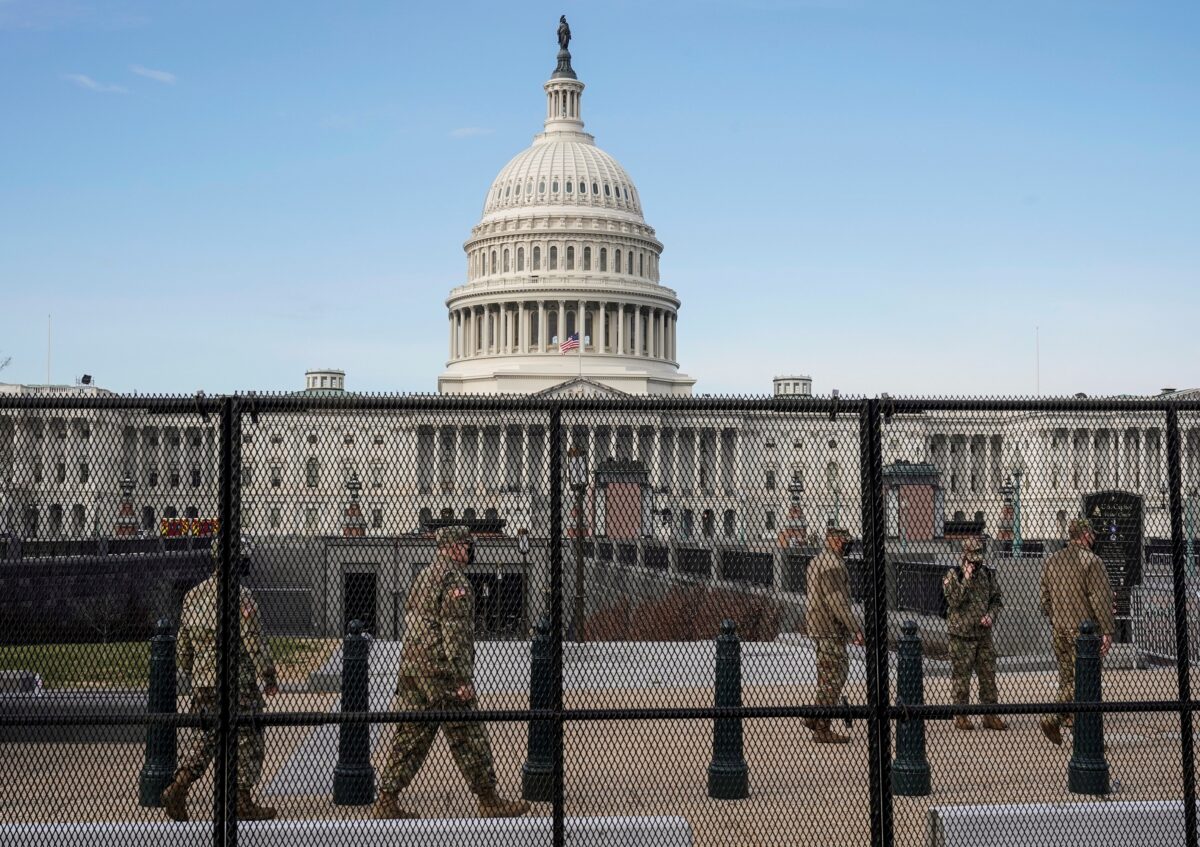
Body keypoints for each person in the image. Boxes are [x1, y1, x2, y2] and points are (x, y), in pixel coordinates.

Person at [373, 525, 530, 819]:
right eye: (467, 545)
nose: (470, 550)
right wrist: (461, 680)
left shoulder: (423, 576)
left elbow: (412, 621)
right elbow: (455, 634)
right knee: (469, 734)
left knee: (410, 734)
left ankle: (386, 798)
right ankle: (489, 798)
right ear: (456, 546)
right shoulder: (455, 581)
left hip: (413, 669)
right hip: (442, 672)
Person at [162, 542, 278, 822]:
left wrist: (193, 671)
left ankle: (180, 784)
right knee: (248, 737)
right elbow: (253, 641)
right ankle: (240, 799)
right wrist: (268, 675)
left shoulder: (193, 596)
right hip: (238, 681)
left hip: (204, 681)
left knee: (204, 738)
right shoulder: (242, 597)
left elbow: (184, 646)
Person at [1037, 517, 1115, 746]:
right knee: (1085, 680)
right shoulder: (1091, 561)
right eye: (1092, 533)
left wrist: (1057, 618)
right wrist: (1108, 631)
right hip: (1085, 632)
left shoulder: (1052, 560)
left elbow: (1044, 599)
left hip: (1060, 629)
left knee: (1066, 679)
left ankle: (1072, 723)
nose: (1094, 537)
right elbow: (1099, 599)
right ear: (1085, 535)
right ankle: (1056, 718)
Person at [804, 525, 864, 744]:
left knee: (826, 674)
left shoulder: (817, 561)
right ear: (837, 541)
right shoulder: (833, 565)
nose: (847, 545)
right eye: (845, 542)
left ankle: (816, 716)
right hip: (830, 628)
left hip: (818, 625)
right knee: (836, 674)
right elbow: (837, 602)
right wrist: (855, 628)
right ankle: (822, 726)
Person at [943, 537, 1006, 731]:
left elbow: (996, 599)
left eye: (978, 560)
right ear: (965, 556)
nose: (976, 564)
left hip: (983, 634)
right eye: (973, 560)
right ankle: (961, 714)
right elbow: (954, 601)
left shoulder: (986, 574)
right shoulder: (954, 575)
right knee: (961, 677)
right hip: (961, 635)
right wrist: (967, 580)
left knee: (988, 675)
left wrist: (990, 615)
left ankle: (990, 714)